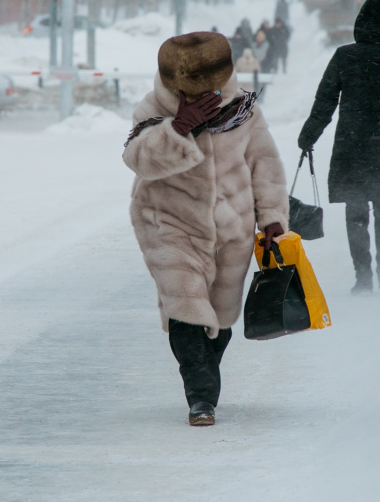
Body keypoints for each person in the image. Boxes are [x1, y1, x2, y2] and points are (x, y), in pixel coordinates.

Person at [122, 32, 290, 426]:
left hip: (232, 229)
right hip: (169, 224)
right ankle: (201, 398)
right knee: (185, 310)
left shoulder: (244, 111)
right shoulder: (152, 110)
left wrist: (272, 218)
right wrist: (178, 128)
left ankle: (204, 379)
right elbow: (137, 159)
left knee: (220, 320)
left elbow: (265, 166)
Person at [298, 0, 380, 294]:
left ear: (361, 22)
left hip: (352, 148)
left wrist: (308, 136)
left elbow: (324, 102)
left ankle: (362, 277)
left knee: (356, 212)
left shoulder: (344, 57)